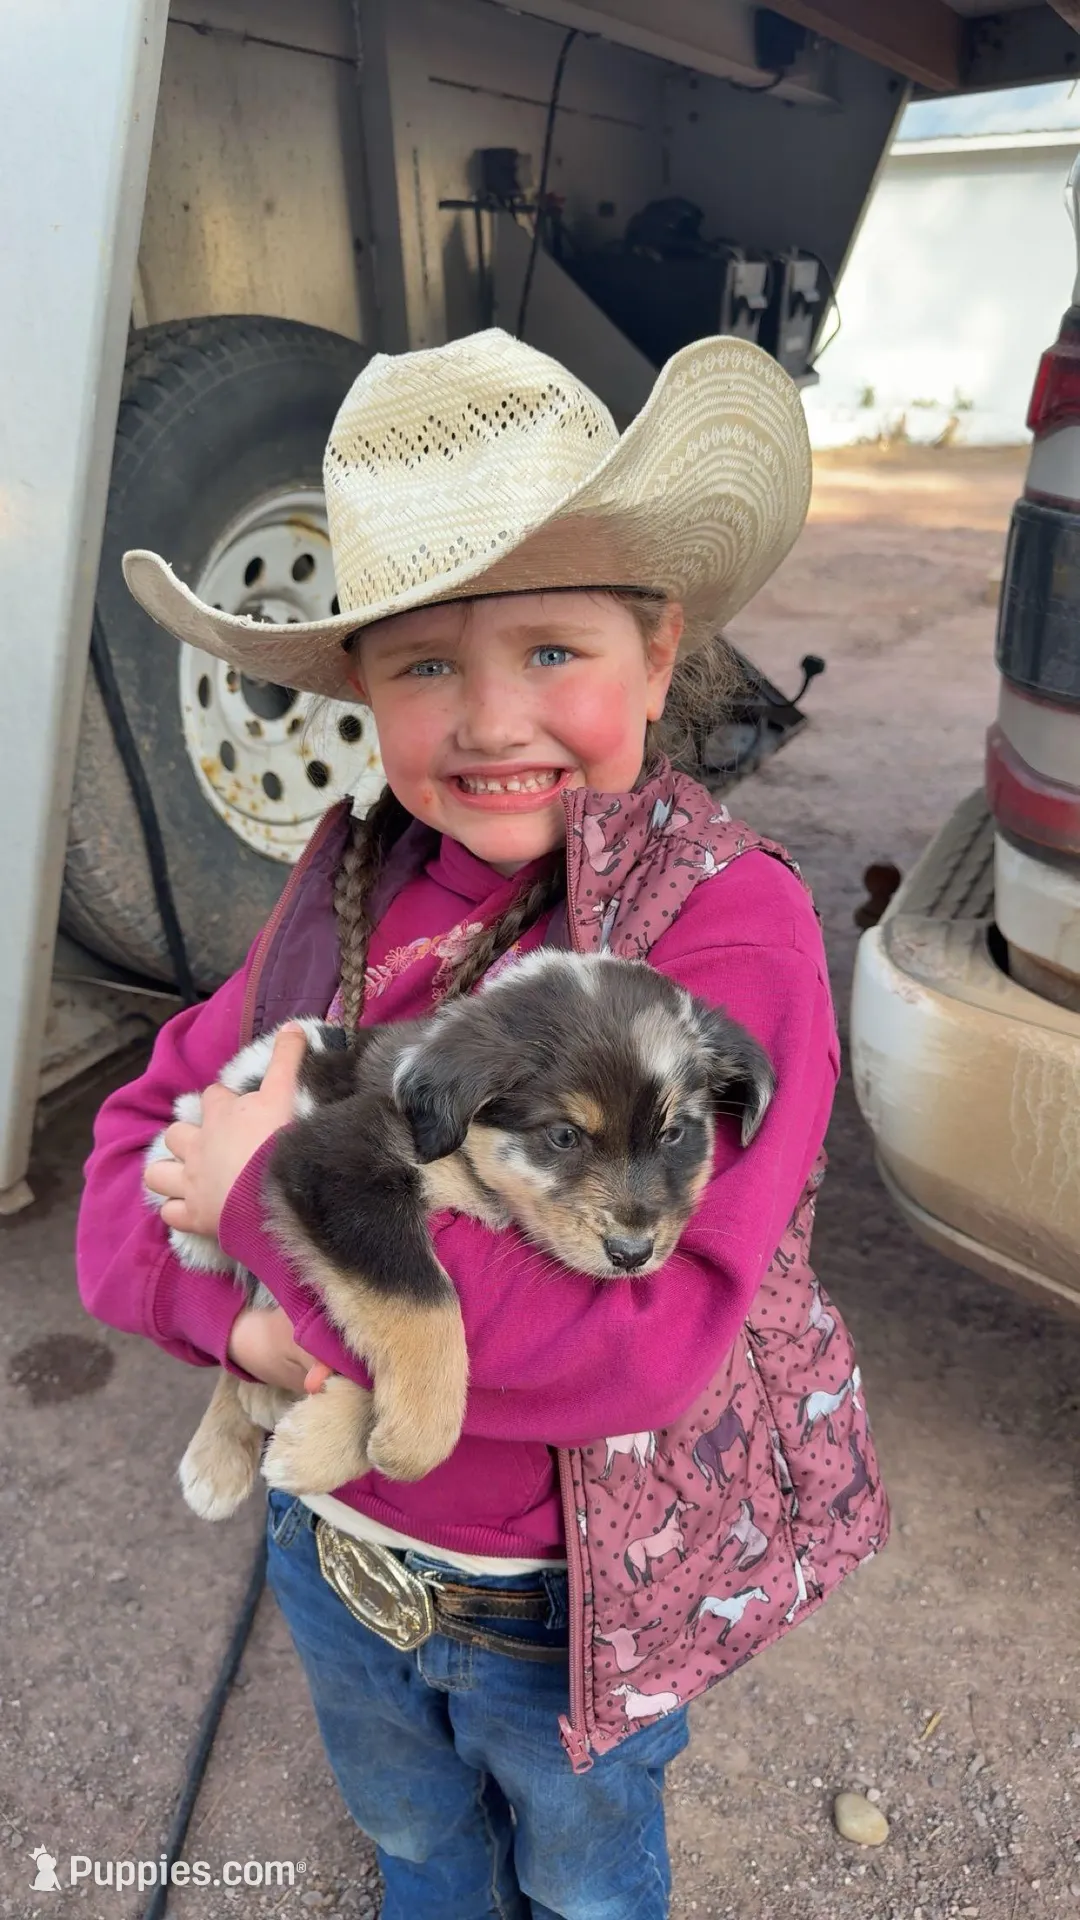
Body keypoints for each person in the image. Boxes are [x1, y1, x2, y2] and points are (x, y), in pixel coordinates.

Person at [77, 329, 888, 1920]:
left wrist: (261, 1212)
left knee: (585, 1879)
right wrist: (242, 1342)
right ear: (363, 689)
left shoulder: (727, 937)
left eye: (553, 650)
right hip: (335, 1548)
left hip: (557, 1597)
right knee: (417, 1842)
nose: (494, 718)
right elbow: (136, 1153)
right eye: (426, 665)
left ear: (661, 653)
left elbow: (648, 1343)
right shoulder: (350, 881)